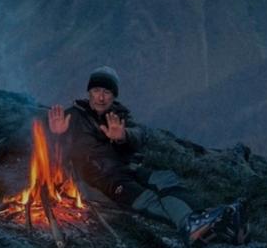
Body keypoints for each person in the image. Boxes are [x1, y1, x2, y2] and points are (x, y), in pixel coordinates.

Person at [48, 66, 249, 246]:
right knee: (147, 197)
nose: (101, 97)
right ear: (89, 92)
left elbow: (138, 135)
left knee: (165, 179)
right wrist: (57, 135)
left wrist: (123, 136)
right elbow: (48, 151)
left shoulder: (120, 115)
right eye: (97, 90)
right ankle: (197, 224)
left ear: (114, 95)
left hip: (127, 168)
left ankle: (203, 221)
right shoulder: (72, 116)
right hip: (103, 179)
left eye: (107, 92)